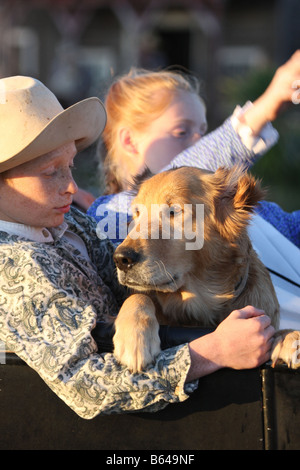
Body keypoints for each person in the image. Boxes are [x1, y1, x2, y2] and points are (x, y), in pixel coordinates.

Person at [0, 75, 275, 419]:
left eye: (70, 167)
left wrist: (140, 302)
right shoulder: (10, 266)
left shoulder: (70, 224)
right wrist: (214, 352)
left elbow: (172, 203)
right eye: (51, 172)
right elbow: (86, 385)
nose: (71, 186)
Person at [87, 51, 300, 248]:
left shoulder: (229, 205)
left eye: (202, 131)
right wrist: (267, 105)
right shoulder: (109, 215)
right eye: (182, 132)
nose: (199, 141)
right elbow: (152, 204)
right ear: (130, 141)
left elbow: (291, 230)